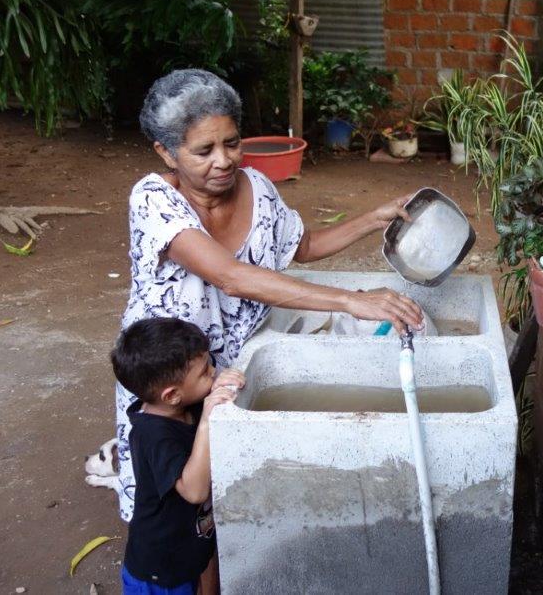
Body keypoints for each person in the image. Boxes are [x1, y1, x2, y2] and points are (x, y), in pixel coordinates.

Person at [111, 68, 423, 521]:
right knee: (168, 498)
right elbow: (231, 276)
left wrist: (375, 218)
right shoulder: (153, 199)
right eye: (203, 150)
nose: (223, 160)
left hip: (228, 367)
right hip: (169, 373)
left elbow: (304, 245)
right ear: (166, 152)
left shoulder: (257, 187)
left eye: (232, 143)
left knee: (221, 495)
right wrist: (349, 299)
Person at [112, 317, 244, 595]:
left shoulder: (185, 408)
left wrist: (217, 385)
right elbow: (194, 491)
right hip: (158, 572)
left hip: (185, 555)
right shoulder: (153, 435)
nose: (214, 372)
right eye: (205, 371)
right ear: (171, 395)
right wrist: (208, 420)